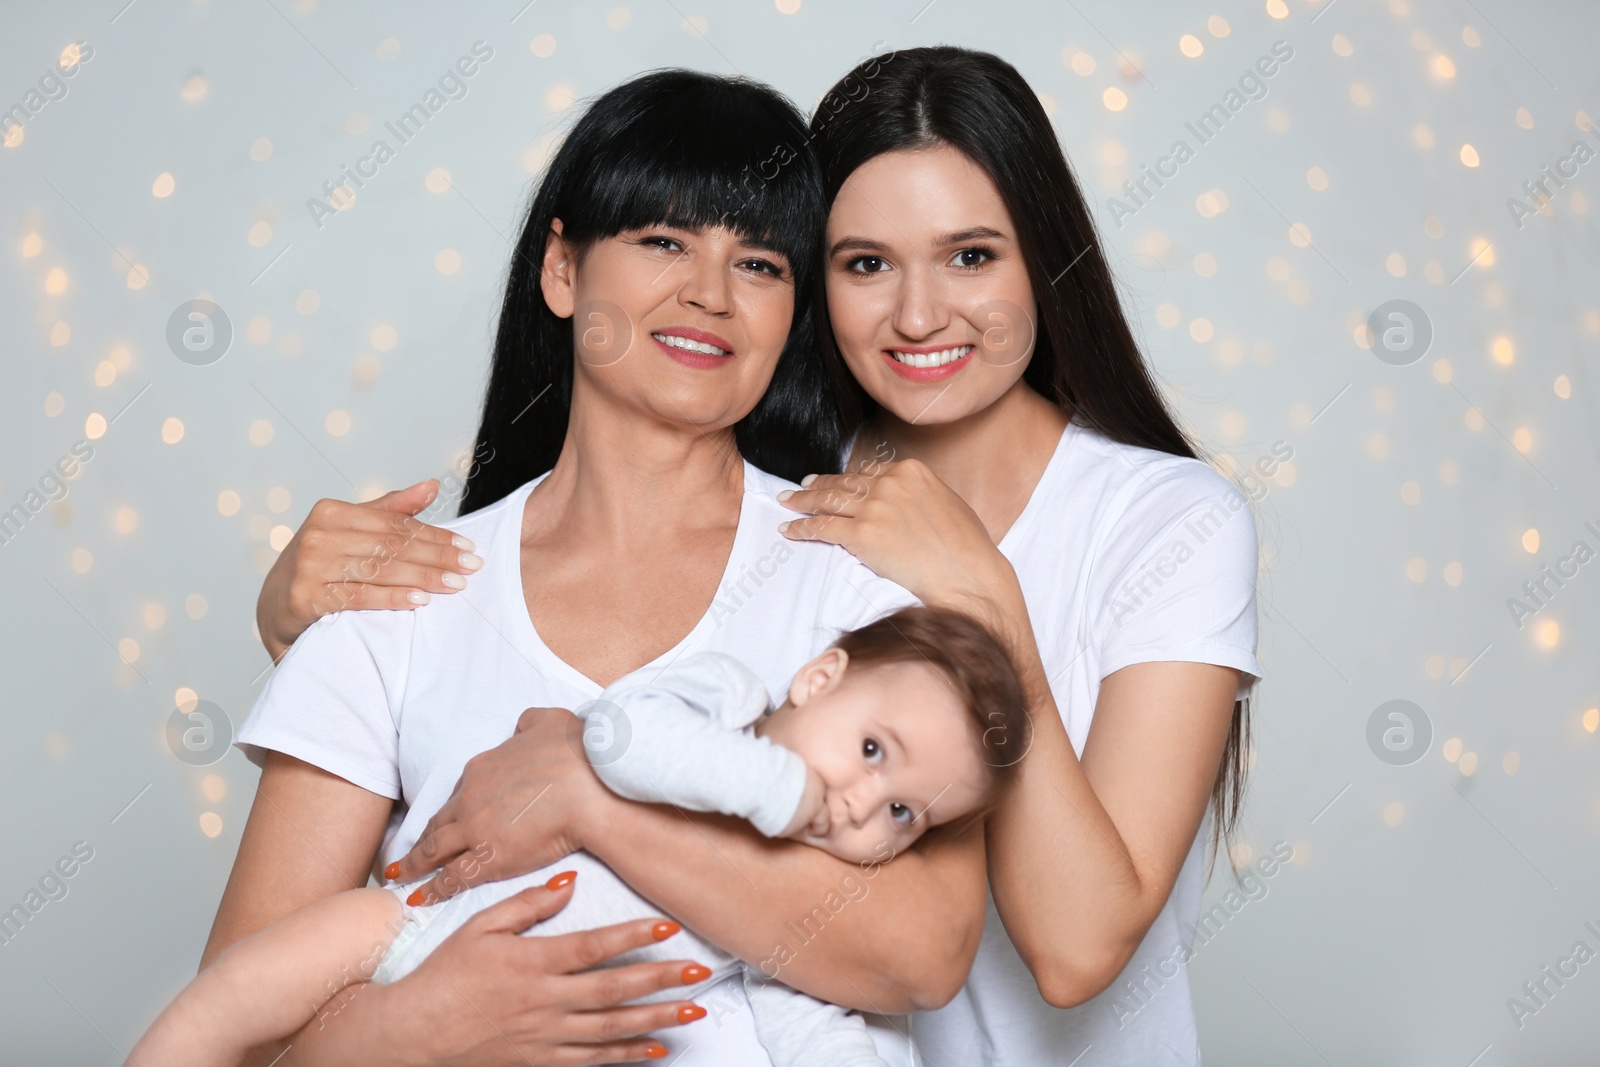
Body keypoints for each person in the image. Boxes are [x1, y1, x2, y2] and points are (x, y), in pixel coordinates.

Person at [257, 47, 1263, 1066]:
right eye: (864, 262)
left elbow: (1049, 947)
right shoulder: (812, 500)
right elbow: (252, 1002)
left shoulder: (1128, 526)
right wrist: (308, 626)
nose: (918, 314)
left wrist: (986, 599)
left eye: (971, 255)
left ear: (1043, 260)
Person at [205, 68, 995, 1067]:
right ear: (563, 271)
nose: (709, 294)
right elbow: (235, 1022)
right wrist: (419, 1027)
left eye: (759, 264)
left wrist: (589, 793)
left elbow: (919, 954)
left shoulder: (859, 584)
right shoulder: (397, 598)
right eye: (664, 240)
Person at [133, 608, 1026, 1067]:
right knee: (229, 998)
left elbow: (811, 1020)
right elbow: (618, 739)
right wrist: (773, 785)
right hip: (408, 925)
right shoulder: (729, 698)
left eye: (906, 815)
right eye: (872, 750)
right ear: (818, 678)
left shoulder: (790, 904)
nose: (863, 803)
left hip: (526, 1040)